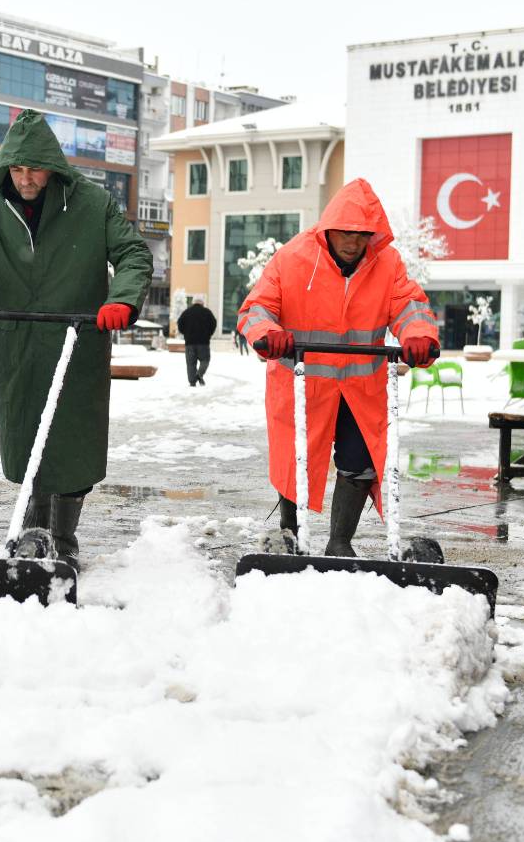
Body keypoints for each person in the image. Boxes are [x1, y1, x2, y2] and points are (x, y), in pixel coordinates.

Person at [0, 109, 152, 570]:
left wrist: (122, 299)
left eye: (34, 168)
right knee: (25, 439)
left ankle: (63, 537)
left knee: (73, 445)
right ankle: (33, 530)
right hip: (17, 345)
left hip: (78, 342)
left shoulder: (92, 204)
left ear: (52, 166)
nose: (25, 178)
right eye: (17, 168)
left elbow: (132, 252)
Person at [236, 178, 439, 558]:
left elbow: (410, 307)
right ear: (329, 228)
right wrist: (268, 333)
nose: (353, 242)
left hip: (361, 389)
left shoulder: (387, 264)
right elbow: (256, 309)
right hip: (302, 384)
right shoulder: (292, 258)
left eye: (362, 235)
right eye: (346, 232)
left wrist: (419, 336)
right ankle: (291, 537)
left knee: (361, 463)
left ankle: (339, 543)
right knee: (296, 464)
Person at [175, 297, 218, 387]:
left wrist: (186, 334)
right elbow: (213, 323)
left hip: (189, 343)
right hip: (203, 342)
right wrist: (208, 334)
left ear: (193, 303)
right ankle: (199, 374)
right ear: (202, 303)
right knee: (205, 360)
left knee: (190, 363)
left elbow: (180, 324)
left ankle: (192, 382)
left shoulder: (186, 312)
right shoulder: (207, 312)